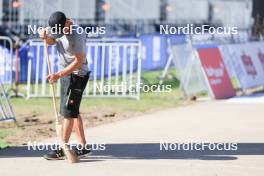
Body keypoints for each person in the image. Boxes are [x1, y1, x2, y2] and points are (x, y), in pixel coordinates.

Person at [39, 11, 91, 160]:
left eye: (61, 30)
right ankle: (83, 147)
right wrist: (44, 36)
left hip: (78, 75)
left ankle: (63, 147)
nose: (59, 33)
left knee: (68, 112)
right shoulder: (57, 27)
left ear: (67, 23)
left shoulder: (78, 34)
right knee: (72, 111)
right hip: (65, 74)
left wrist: (58, 75)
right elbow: (51, 41)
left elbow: (79, 61)